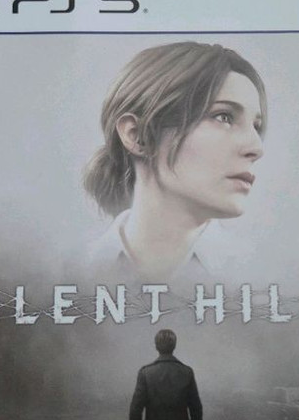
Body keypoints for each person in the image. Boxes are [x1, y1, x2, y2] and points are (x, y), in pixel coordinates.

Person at [84, 41, 266, 284]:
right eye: (223, 117)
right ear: (137, 135)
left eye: (256, 126)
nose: (256, 148)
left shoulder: (263, 278)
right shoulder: (69, 274)